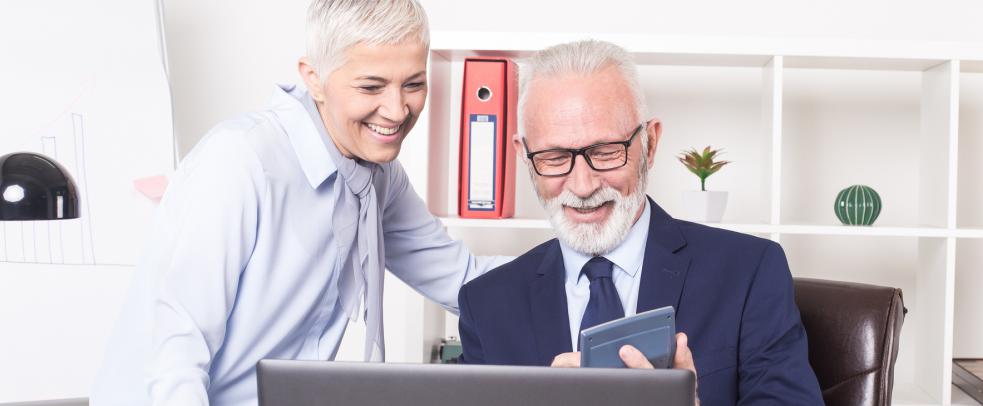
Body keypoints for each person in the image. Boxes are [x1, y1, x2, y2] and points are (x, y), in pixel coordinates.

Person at [91, 1, 507, 405]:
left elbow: (465, 281)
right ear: (313, 78)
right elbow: (177, 348)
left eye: (413, 84)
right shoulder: (242, 160)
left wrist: (570, 266)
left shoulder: (378, 176)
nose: (398, 110)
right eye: (371, 86)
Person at [457, 39, 824, 405]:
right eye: (554, 158)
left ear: (650, 142)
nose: (582, 186)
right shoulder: (486, 304)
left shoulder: (749, 272)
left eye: (606, 152)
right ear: (524, 155)